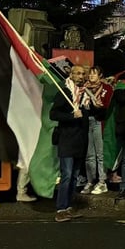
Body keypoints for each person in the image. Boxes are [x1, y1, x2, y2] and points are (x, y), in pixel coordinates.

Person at [49, 65, 89, 222]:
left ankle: (69, 207)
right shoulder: (65, 93)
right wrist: (72, 116)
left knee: (74, 176)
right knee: (66, 175)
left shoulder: (85, 95)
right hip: (67, 139)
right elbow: (53, 114)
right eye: (77, 73)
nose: (81, 76)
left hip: (80, 140)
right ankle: (60, 208)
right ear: (71, 75)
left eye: (83, 74)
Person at [81, 67, 113, 195]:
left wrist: (100, 106)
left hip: (99, 121)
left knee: (100, 154)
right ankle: (90, 180)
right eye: (90, 73)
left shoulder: (106, 88)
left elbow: (108, 106)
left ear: (100, 75)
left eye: (94, 73)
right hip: (87, 121)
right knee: (89, 155)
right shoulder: (84, 88)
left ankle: (102, 181)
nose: (91, 76)